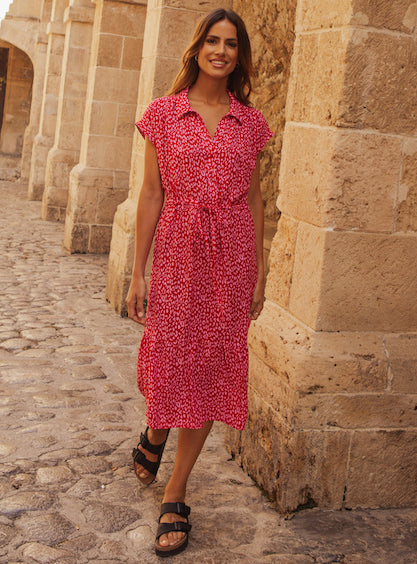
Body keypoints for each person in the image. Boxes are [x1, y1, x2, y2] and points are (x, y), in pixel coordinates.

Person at [126, 7, 273, 558]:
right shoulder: (163, 114)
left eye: (231, 43)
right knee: (170, 359)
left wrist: (258, 271)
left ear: (239, 55)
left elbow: (255, 197)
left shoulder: (250, 123)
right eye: (212, 40)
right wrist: (138, 271)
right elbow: (151, 194)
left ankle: (176, 491)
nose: (221, 50)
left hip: (231, 259)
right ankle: (157, 430)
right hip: (179, 253)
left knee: (211, 367)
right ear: (197, 48)